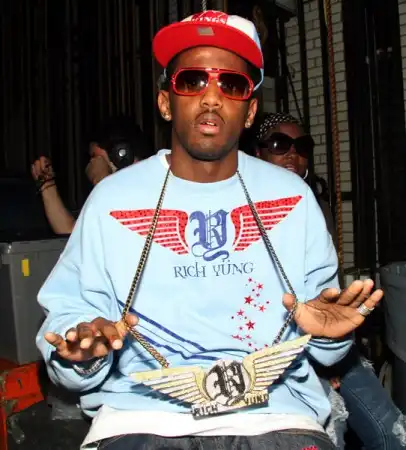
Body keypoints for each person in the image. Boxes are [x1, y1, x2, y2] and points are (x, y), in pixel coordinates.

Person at [36, 11, 383, 450]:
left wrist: (332, 337)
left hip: (275, 417)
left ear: (250, 110)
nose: (212, 97)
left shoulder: (292, 198)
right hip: (142, 417)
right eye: (193, 80)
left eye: (232, 85)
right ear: (166, 102)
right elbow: (70, 326)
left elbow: (324, 336)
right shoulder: (112, 199)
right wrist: (83, 350)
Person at [255, 111, 406, 450]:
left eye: (302, 146)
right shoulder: (240, 209)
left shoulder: (314, 207)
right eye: (280, 144)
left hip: (327, 340)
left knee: (390, 432)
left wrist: (329, 352)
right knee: (327, 432)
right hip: (273, 350)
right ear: (258, 153)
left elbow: (326, 288)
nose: (292, 154)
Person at [31, 116, 151, 235]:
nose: (92, 163)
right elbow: (70, 231)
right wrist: (47, 184)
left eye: (95, 156)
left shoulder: (151, 188)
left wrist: (102, 181)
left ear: (121, 153)